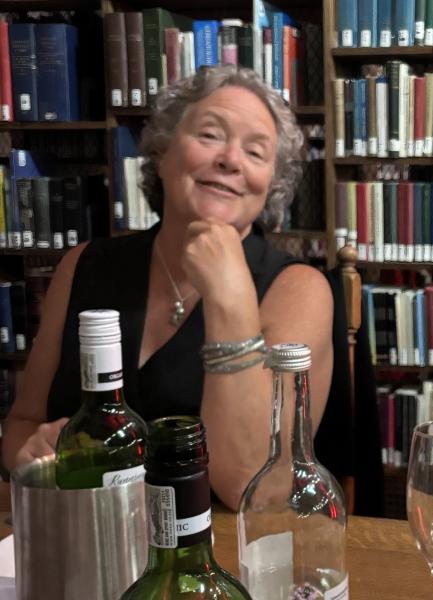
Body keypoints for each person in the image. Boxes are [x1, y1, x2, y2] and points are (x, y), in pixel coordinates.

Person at [2, 66, 334, 510]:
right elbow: (22, 424)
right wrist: (31, 453)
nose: (231, 159)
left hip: (217, 562)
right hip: (84, 538)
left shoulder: (298, 289)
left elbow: (251, 486)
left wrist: (228, 298)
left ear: (270, 185)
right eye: (211, 134)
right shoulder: (82, 266)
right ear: (162, 151)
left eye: (255, 152)